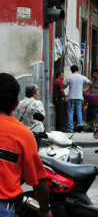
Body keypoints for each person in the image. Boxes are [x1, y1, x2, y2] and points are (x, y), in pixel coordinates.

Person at [0, 73, 52, 217]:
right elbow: (40, 182)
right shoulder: (23, 135)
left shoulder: (22, 106)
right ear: (15, 103)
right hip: (4, 206)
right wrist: (44, 209)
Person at [14, 84, 46, 150]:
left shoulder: (20, 103)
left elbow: (16, 116)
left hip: (24, 131)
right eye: (37, 92)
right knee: (35, 152)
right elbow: (43, 116)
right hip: (36, 131)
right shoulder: (37, 103)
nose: (38, 93)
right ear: (34, 94)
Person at [63, 64, 92, 132]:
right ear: (78, 70)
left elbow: (63, 87)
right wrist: (86, 89)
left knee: (70, 112)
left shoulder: (69, 77)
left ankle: (70, 128)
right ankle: (80, 128)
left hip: (71, 97)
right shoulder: (82, 77)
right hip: (79, 97)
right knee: (79, 112)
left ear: (71, 70)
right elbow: (91, 83)